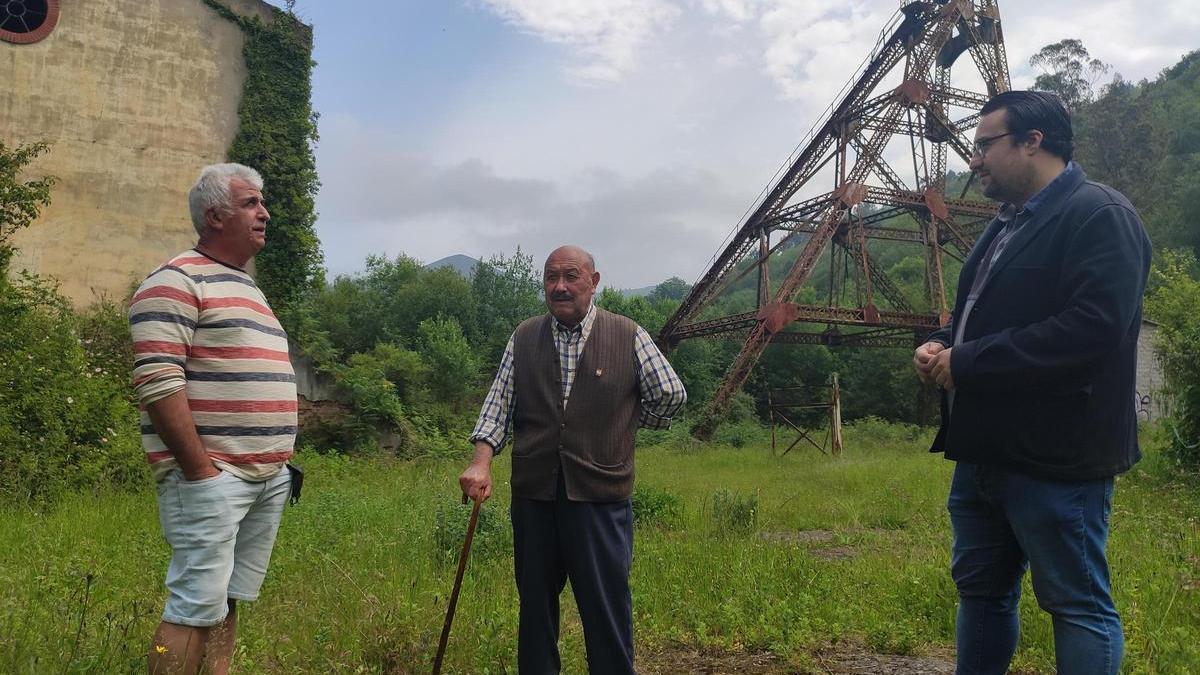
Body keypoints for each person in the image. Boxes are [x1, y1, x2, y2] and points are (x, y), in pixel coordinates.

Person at [913, 91, 1150, 675]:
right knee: (982, 592)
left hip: (1056, 457)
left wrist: (968, 361)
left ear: (1033, 141)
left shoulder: (1100, 216)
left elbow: (1093, 329)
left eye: (984, 144)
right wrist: (942, 341)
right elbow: (982, 312)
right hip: (985, 451)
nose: (973, 160)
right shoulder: (1006, 225)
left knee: (1076, 605)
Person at [459, 245, 687, 674]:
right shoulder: (524, 337)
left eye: (571, 276)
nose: (559, 286)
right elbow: (496, 409)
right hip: (535, 499)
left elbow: (671, 394)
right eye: (551, 278)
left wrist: (631, 423)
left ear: (594, 282)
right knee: (535, 611)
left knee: (606, 611)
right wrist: (481, 462)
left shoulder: (627, 334)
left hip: (600, 499)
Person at [130, 163, 295, 675]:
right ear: (214, 216)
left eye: (261, 202)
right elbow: (158, 383)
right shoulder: (174, 280)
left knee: (227, 601)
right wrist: (201, 471)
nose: (264, 213)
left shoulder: (248, 287)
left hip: (265, 478)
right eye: (250, 204)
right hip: (212, 477)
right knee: (191, 607)